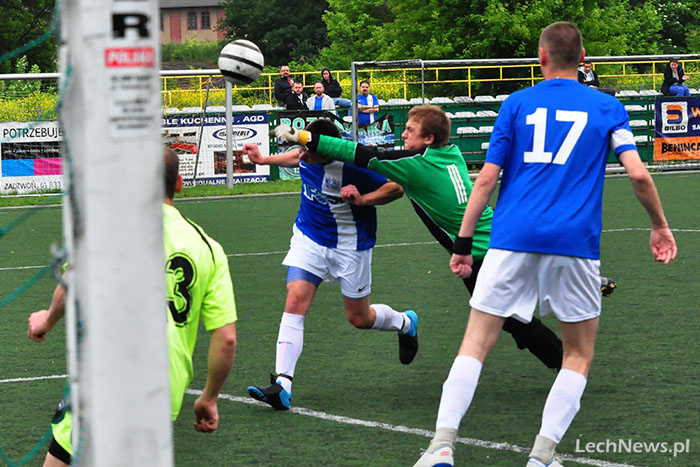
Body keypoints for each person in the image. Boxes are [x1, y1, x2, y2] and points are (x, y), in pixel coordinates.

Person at [411, 22, 676, 467]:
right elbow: (638, 175)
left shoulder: (516, 104)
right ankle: (542, 455)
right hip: (574, 244)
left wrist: (462, 243)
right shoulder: (608, 107)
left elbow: (486, 180)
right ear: (584, 58)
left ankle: (441, 444)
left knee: (475, 343)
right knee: (577, 353)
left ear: (541, 58)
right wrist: (659, 226)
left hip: (510, 239)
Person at [273, 104, 566, 371]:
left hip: (480, 252)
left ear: (428, 139)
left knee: (506, 317)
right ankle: (555, 344)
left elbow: (360, 154)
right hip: (493, 242)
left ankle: (564, 361)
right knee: (506, 316)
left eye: (410, 130)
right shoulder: (449, 152)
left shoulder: (417, 164)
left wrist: (302, 136)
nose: (403, 134)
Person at [27, 147, 239, 466]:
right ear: (179, 184)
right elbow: (227, 339)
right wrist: (209, 396)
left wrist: (47, 319)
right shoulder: (209, 248)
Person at [241, 119, 413, 411]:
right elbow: (297, 157)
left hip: (351, 246)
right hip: (309, 238)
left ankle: (405, 323)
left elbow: (396, 188)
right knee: (295, 299)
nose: (302, 155)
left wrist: (363, 199)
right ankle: (283, 385)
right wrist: (263, 160)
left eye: (308, 150)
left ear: (326, 151)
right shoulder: (307, 154)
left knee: (359, 318)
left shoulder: (354, 167)